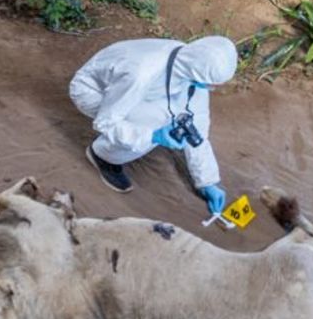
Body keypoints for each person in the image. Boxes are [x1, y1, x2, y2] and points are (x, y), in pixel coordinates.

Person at [69, 36, 237, 215]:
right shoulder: (142, 73)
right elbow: (106, 122)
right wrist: (152, 136)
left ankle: (126, 141)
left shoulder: (191, 63)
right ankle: (103, 156)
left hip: (134, 92)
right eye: (212, 84)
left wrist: (207, 180)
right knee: (160, 119)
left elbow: (197, 122)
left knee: (171, 116)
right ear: (199, 74)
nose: (213, 89)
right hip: (92, 91)